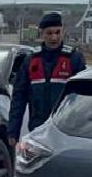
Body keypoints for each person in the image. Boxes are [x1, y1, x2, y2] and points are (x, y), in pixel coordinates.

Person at [9, 11, 86, 144]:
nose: (54, 37)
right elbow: (19, 98)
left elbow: (83, 97)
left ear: (63, 32)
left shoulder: (74, 59)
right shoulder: (31, 61)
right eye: (49, 33)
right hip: (37, 129)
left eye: (57, 32)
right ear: (42, 33)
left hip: (65, 130)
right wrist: (13, 131)